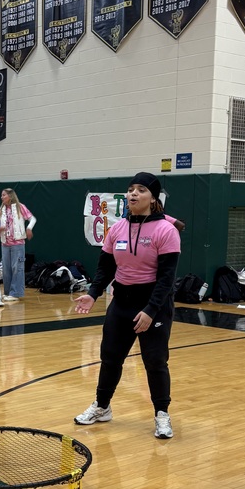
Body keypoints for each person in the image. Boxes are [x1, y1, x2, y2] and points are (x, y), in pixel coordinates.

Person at [73, 172, 181, 438]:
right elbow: (105, 267)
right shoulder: (118, 228)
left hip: (153, 303)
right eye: (131, 189)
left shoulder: (166, 230)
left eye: (141, 190)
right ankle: (102, 406)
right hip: (121, 302)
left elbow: (167, 278)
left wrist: (150, 311)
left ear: (153, 198)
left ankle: (162, 415)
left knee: (155, 362)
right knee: (110, 358)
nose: (133, 194)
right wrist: (93, 293)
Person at [0, 187, 36, 301]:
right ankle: (8, 291)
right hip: (5, 243)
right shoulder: (1, 209)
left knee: (17, 268)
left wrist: (29, 228)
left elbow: (32, 219)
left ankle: (16, 293)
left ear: (10, 196)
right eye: (1, 195)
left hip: (17, 243)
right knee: (6, 268)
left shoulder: (20, 207)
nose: (2, 197)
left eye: (4, 195)